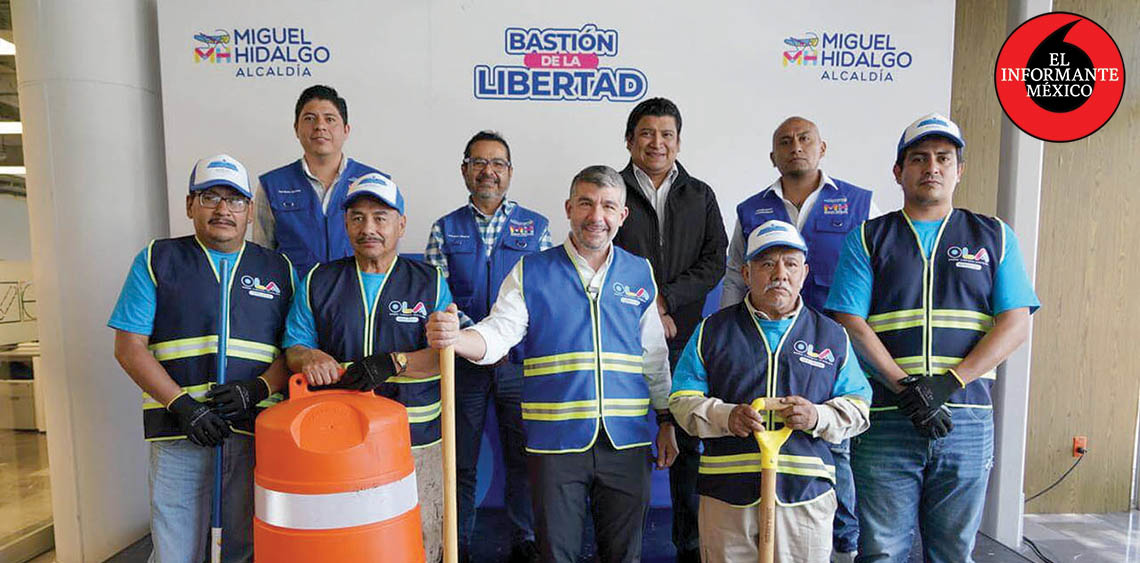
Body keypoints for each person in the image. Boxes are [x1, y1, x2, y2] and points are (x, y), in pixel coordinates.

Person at [426, 165, 678, 563]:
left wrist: (666, 420)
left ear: (622, 215)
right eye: (586, 204)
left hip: (627, 443)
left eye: (608, 206)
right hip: (555, 445)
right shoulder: (531, 271)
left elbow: (654, 357)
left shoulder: (639, 272)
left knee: (624, 556)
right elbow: (497, 334)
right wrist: (457, 339)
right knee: (556, 556)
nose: (597, 216)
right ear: (568, 209)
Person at [825, 113, 1040, 562]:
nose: (932, 167)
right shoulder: (869, 237)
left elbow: (1015, 324)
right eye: (919, 158)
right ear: (898, 172)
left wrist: (948, 383)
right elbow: (850, 321)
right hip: (887, 418)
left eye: (944, 158)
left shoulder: (994, 236)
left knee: (953, 552)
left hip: (965, 417)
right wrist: (906, 388)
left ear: (959, 170)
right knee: (881, 551)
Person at [109, 155, 294, 562]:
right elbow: (129, 347)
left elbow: (295, 349)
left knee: (244, 546)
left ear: (250, 212)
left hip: (253, 431)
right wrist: (183, 406)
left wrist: (257, 388)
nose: (223, 209)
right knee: (175, 550)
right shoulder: (158, 260)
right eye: (210, 197)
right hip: (179, 433)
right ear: (190, 205)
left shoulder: (279, 269)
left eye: (235, 200)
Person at [720, 116, 878, 560]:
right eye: (785, 142)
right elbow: (734, 274)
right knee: (761, 440)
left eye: (804, 139)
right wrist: (727, 330)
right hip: (763, 340)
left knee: (834, 449)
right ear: (773, 155)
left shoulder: (857, 203)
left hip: (830, 347)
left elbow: (874, 276)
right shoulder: (751, 209)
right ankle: (766, 537)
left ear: (822, 147)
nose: (796, 147)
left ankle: (842, 547)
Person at [670, 220, 871, 562]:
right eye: (767, 264)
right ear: (746, 274)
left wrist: (817, 416)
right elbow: (681, 401)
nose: (780, 274)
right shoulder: (712, 331)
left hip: (805, 499)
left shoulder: (832, 336)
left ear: (804, 273)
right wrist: (726, 417)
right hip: (727, 498)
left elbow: (859, 407)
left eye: (790, 264)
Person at [282, 173, 452, 562]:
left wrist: (396, 362)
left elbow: (444, 354)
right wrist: (308, 357)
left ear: (401, 224)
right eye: (357, 218)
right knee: (349, 543)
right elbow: (294, 347)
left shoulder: (429, 282)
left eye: (380, 217)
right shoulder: (319, 280)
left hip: (416, 440)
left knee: (417, 540)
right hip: (337, 441)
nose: (368, 228)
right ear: (345, 224)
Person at [424, 130, 551, 563]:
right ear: (465, 170)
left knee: (523, 457)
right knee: (460, 460)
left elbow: (541, 297)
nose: (488, 171)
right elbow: (438, 295)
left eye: (497, 163)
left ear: (510, 172)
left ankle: (525, 539)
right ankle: (457, 542)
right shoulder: (445, 229)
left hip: (519, 364)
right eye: (478, 162)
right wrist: (475, 340)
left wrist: (499, 340)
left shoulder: (537, 228)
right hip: (462, 365)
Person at [612, 97, 728, 563]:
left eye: (666, 135)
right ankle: (618, 544)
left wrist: (667, 300)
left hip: (683, 336)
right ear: (629, 140)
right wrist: (646, 307)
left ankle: (689, 544)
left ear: (678, 142)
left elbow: (714, 260)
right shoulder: (611, 190)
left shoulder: (700, 194)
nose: (656, 143)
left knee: (685, 440)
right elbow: (600, 255)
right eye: (646, 133)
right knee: (619, 441)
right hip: (619, 336)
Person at [252, 84, 389, 275]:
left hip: (357, 291)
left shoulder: (376, 183)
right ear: (296, 129)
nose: (320, 126)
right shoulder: (272, 185)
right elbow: (262, 255)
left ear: (346, 130)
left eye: (330, 119)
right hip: (293, 292)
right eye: (309, 118)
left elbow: (387, 252)